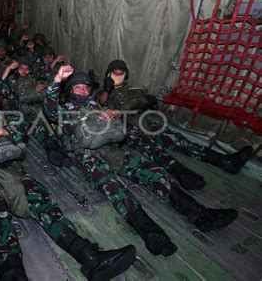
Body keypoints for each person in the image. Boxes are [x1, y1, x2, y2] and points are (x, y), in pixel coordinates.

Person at [0, 59, 136, 281]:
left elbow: (21, 136)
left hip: (14, 171)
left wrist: (0, 132)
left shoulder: (8, 118)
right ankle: (13, 275)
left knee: (46, 207)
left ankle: (91, 257)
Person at [44, 66, 238, 257]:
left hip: (111, 150)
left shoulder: (95, 105)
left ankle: (201, 214)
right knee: (116, 190)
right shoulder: (63, 110)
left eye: (86, 87)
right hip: (87, 156)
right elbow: (49, 108)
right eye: (78, 87)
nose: (83, 90)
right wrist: (57, 79)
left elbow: (116, 122)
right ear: (70, 90)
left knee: (154, 172)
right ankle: (152, 234)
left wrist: (114, 113)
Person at [99, 60, 254, 177]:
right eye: (114, 73)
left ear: (126, 75)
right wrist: (107, 88)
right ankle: (183, 175)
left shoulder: (134, 90)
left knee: (179, 140)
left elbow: (140, 103)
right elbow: (101, 103)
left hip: (143, 122)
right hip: (126, 128)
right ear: (108, 74)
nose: (117, 77)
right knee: (155, 151)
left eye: (121, 73)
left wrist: (146, 101)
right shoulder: (104, 92)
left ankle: (225, 161)